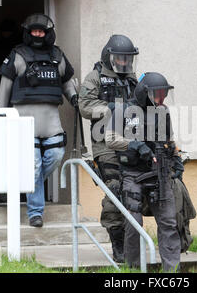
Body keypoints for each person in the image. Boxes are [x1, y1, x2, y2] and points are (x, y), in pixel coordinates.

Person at [0, 13, 78, 228]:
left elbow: (68, 82)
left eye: (41, 31)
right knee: (33, 165)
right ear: (28, 33)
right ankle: (35, 212)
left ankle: (27, 182)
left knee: (56, 155)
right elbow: (4, 88)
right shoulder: (18, 55)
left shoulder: (58, 56)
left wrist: (75, 97)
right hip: (23, 122)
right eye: (34, 31)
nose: (38, 34)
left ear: (48, 33)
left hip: (51, 123)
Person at [105, 72, 183, 272]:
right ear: (144, 92)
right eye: (157, 94)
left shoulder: (163, 112)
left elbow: (170, 140)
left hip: (160, 171)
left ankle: (172, 272)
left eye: (164, 94)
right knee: (134, 222)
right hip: (132, 173)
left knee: (168, 222)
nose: (161, 99)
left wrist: (176, 159)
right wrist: (135, 145)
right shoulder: (123, 111)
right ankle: (133, 269)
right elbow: (110, 139)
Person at [78, 34, 139, 263]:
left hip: (131, 142)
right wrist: (112, 109)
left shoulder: (133, 78)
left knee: (133, 190)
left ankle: (132, 241)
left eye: (127, 58)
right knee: (115, 190)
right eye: (120, 58)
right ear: (109, 57)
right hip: (105, 146)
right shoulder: (95, 78)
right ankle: (118, 244)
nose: (124, 62)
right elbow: (84, 106)